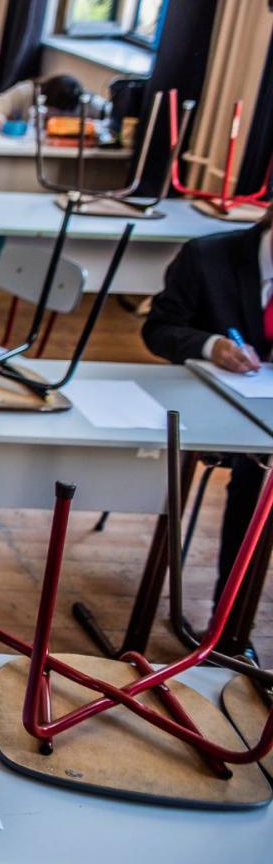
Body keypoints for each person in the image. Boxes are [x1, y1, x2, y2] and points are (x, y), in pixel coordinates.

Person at [141, 212, 270, 663]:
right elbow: (157, 330)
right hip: (217, 414)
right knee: (258, 478)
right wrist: (211, 345)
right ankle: (230, 630)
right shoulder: (208, 256)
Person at [0, 73, 100, 128]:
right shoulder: (26, 92)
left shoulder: (84, 101)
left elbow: (107, 117)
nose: (54, 116)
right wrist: (1, 124)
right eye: (52, 112)